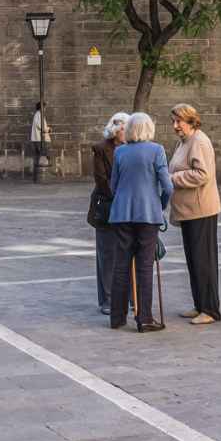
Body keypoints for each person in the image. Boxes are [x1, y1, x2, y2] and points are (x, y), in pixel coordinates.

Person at [108, 112, 173, 332]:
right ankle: (144, 318)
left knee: (120, 265)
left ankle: (117, 317)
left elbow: (113, 186)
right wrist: (160, 205)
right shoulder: (157, 150)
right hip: (147, 215)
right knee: (145, 266)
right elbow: (168, 186)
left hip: (121, 214)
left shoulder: (120, 152)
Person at [169, 104, 221, 324]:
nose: (175, 126)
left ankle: (210, 309)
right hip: (188, 210)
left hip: (201, 210)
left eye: (178, 121)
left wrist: (172, 178)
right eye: (173, 121)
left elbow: (202, 174)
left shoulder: (199, 141)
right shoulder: (184, 142)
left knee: (203, 261)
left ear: (190, 120)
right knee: (193, 260)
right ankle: (200, 304)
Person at [92, 113, 131, 315]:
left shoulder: (133, 148)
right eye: (123, 128)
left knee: (128, 252)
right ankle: (106, 299)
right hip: (108, 205)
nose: (125, 132)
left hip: (129, 207)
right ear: (115, 130)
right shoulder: (101, 149)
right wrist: (119, 197)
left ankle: (131, 296)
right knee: (107, 255)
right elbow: (101, 180)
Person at [28, 102, 50, 183]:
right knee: (43, 155)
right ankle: (42, 175)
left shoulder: (37, 115)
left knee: (37, 158)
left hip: (37, 139)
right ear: (41, 107)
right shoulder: (38, 115)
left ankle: (36, 177)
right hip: (39, 139)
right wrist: (47, 129)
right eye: (44, 107)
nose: (45, 109)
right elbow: (40, 125)